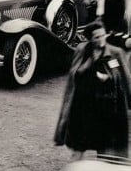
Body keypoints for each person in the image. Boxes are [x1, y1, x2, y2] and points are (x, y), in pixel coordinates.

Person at [54, 21, 131, 158]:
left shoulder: (116, 53)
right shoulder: (82, 50)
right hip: (84, 107)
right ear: (90, 39)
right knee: (79, 144)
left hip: (106, 107)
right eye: (97, 37)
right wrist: (89, 63)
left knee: (105, 146)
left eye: (103, 35)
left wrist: (108, 78)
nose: (101, 39)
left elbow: (124, 78)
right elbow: (75, 74)